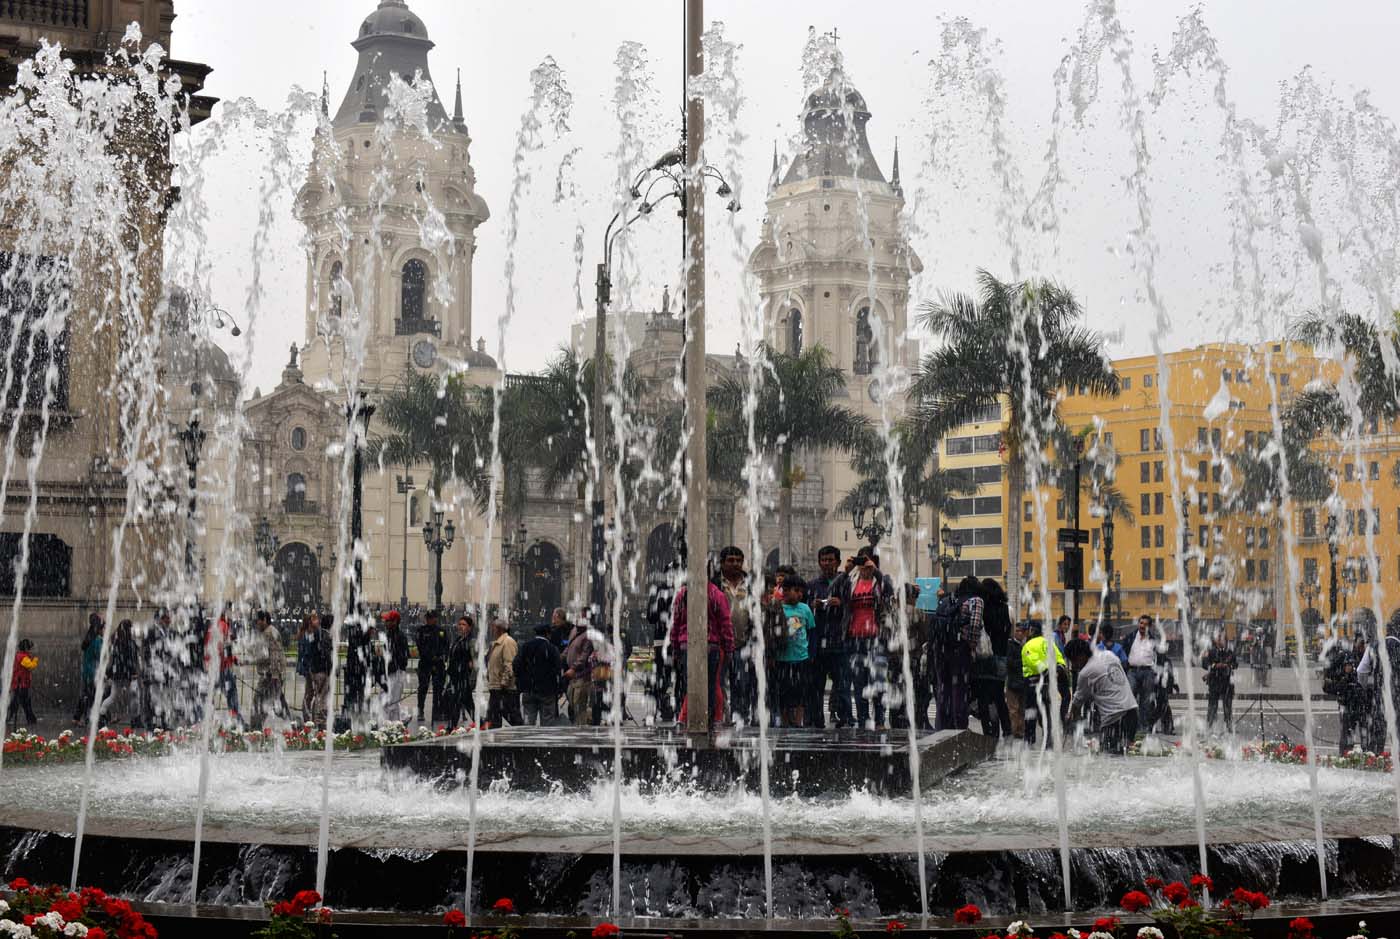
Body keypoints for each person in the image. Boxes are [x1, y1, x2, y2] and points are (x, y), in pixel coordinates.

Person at [670, 576, 735, 729]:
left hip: (687, 645)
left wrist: (675, 646)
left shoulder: (682, 594)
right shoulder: (716, 594)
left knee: (691, 684)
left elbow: (676, 623)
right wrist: (729, 647)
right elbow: (725, 623)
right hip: (711, 646)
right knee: (711, 684)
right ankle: (710, 719)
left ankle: (688, 718)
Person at [836, 551, 890, 729]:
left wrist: (876, 571)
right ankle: (863, 719)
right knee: (859, 683)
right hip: (855, 638)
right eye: (862, 565)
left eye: (867, 565)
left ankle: (880, 720)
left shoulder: (880, 582)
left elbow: (889, 590)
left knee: (878, 682)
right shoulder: (851, 582)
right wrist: (846, 571)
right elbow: (833, 590)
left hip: (876, 639)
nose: (864, 569)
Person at [1066, 637, 1139, 753]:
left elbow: (1077, 702)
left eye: (1073, 661)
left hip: (1113, 720)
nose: (1073, 665)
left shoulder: (1085, 673)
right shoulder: (1109, 655)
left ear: (1080, 656)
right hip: (1132, 712)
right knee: (1125, 755)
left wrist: (1073, 721)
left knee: (1110, 758)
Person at [934, 576, 983, 731]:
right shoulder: (976, 601)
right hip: (961, 650)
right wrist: (971, 646)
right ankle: (960, 726)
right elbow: (975, 626)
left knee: (945, 688)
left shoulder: (952, 600)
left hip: (944, 650)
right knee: (960, 689)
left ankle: (943, 726)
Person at [807, 546, 849, 729]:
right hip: (818, 641)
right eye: (823, 560)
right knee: (816, 685)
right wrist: (812, 605)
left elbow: (853, 607)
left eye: (830, 560)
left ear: (838, 562)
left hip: (839, 640)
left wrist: (841, 604)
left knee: (841, 684)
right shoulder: (812, 585)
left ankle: (843, 718)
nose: (827, 563)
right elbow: (802, 610)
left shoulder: (846, 583)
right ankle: (816, 720)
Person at [716, 547, 756, 726]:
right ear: (722, 563)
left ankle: (739, 717)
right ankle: (722, 717)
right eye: (730, 560)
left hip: (743, 643)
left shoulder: (751, 584)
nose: (735, 564)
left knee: (741, 683)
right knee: (718, 682)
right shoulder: (716, 583)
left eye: (738, 560)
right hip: (719, 644)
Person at [974, 578, 1012, 739]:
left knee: (983, 697)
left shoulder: (982, 609)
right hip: (1001, 657)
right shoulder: (1007, 609)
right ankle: (1007, 731)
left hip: (984, 658)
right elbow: (1010, 633)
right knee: (999, 696)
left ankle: (989, 732)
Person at [776, 574, 815, 727]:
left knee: (801, 692)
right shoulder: (778, 608)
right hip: (782, 658)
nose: (799, 594)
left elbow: (812, 632)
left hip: (801, 658)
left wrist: (811, 654)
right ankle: (785, 721)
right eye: (795, 590)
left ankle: (798, 721)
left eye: (801, 591)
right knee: (784, 692)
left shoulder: (805, 609)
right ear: (784, 591)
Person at [1021, 621, 1069, 745]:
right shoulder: (1049, 643)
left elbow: (1032, 661)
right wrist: (1058, 667)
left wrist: (1045, 670)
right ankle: (1049, 739)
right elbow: (1059, 658)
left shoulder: (1028, 645)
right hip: (1048, 683)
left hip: (1032, 683)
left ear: (1032, 631)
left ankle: (1029, 740)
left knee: (1031, 712)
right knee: (1047, 711)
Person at [1324, 635, 1367, 752]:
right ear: (1355, 642)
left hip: (1363, 702)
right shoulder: (1344, 656)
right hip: (1347, 702)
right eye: (1361, 643)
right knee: (1347, 733)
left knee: (1365, 735)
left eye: (1364, 644)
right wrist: (1344, 680)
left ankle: (1368, 758)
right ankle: (1345, 756)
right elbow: (1327, 682)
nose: (1363, 646)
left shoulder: (1366, 656)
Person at [515, 622, 563, 725]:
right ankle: (545, 740)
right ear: (547, 634)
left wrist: (522, 681)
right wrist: (559, 688)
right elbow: (558, 669)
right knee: (548, 721)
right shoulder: (552, 649)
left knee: (528, 720)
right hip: (547, 691)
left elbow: (517, 665)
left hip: (529, 689)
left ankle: (528, 739)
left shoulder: (525, 647)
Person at [249, 611, 287, 729]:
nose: (257, 623)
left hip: (271, 675)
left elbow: (275, 655)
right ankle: (293, 724)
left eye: (258, 621)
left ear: (265, 620)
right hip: (268, 675)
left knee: (259, 702)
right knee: (273, 704)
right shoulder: (265, 632)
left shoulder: (271, 633)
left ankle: (255, 728)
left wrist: (275, 676)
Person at [1123, 614, 1160, 730]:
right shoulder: (1131, 637)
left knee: (1146, 701)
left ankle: (1143, 727)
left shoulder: (1153, 640)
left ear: (1150, 626)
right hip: (1132, 671)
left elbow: (1159, 657)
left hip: (1147, 672)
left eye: (1145, 624)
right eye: (1141, 623)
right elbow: (1124, 653)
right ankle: (1129, 725)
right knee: (1130, 698)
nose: (1142, 626)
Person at [100, 619, 140, 725]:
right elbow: (130, 659)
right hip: (128, 674)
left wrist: (109, 673)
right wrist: (133, 672)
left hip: (118, 674)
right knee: (134, 695)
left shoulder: (116, 641)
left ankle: (102, 714)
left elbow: (115, 660)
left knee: (113, 696)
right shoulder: (129, 642)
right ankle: (135, 718)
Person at [416, 609, 449, 724]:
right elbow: (420, 647)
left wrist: (442, 657)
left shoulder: (442, 631)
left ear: (436, 618)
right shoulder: (421, 631)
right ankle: (420, 710)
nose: (430, 620)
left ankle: (436, 711)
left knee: (438, 689)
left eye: (433, 617)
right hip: (426, 664)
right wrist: (431, 657)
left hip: (438, 665)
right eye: (429, 618)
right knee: (423, 688)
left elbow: (446, 646)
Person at [443, 614, 477, 728]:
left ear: (470, 627)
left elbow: (474, 662)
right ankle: (481, 724)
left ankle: (451, 727)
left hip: (463, 678)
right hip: (456, 677)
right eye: (459, 624)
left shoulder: (471, 641)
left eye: (464, 624)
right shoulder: (458, 640)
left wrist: (472, 678)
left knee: (457, 702)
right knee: (463, 703)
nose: (460, 626)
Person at [485, 618, 519, 728]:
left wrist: (504, 681)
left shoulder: (508, 642)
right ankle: (495, 738)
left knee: (512, 717)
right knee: (494, 717)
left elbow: (509, 664)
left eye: (493, 627)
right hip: (496, 686)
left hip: (504, 688)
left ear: (499, 629)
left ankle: (521, 736)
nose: (491, 630)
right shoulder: (497, 643)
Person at [1202, 630, 1238, 733]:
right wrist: (1215, 665)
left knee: (1228, 706)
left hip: (1227, 682)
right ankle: (1209, 726)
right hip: (1214, 681)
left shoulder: (1230, 652)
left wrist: (1228, 665)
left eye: (1222, 637)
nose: (1220, 640)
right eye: (1218, 638)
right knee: (1212, 706)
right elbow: (1204, 663)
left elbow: (1235, 664)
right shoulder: (1210, 651)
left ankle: (1229, 726)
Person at [381, 610, 410, 724]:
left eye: (388, 621)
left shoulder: (400, 636)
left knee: (392, 701)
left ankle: (394, 724)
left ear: (395, 622)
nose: (386, 623)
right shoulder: (389, 635)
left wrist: (395, 666)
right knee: (388, 700)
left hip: (396, 672)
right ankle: (400, 720)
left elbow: (403, 656)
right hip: (390, 672)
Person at [75, 614, 103, 722]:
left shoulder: (89, 637)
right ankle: (88, 717)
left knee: (87, 694)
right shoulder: (97, 640)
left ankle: (78, 717)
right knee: (92, 696)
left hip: (87, 671)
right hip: (93, 672)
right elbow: (100, 656)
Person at [1005, 620, 1029, 739]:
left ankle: (1020, 731)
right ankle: (1013, 732)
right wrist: (1023, 660)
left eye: (1022, 631)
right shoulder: (1010, 645)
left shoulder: (1025, 646)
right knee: (1013, 710)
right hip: (1013, 683)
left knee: (1022, 709)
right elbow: (1009, 663)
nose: (1019, 633)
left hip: (1023, 683)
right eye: (1017, 631)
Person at [8, 638, 37, 725]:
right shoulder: (23, 657)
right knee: (25, 702)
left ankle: (8, 717)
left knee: (18, 702)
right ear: (26, 648)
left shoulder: (20, 655)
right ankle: (31, 719)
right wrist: (35, 659)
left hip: (20, 683)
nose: (31, 650)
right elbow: (31, 666)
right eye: (30, 648)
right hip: (21, 684)